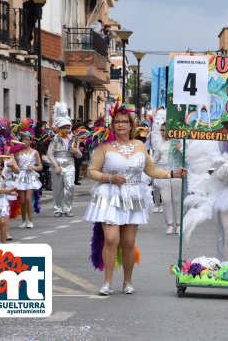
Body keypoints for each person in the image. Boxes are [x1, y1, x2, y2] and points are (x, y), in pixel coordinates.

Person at [83, 101, 186, 295]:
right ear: (112, 125)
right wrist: (110, 178)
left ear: (131, 125)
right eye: (116, 122)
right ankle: (108, 282)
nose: (120, 125)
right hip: (110, 196)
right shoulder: (104, 147)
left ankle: (127, 281)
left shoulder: (139, 146)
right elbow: (91, 171)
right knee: (111, 239)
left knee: (128, 243)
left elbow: (151, 170)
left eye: (124, 121)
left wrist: (174, 173)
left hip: (133, 197)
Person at [47, 102, 83, 217]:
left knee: (70, 187)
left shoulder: (74, 139)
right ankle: (58, 208)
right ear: (59, 128)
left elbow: (79, 155)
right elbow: (49, 153)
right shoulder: (55, 139)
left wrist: (77, 152)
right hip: (57, 165)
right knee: (57, 189)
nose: (66, 129)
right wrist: (56, 166)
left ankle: (67, 208)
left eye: (68, 127)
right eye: (64, 127)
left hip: (70, 165)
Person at [152, 123, 184, 235]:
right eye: (161, 130)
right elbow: (154, 161)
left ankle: (179, 224)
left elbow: (188, 156)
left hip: (177, 173)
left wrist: (181, 149)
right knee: (165, 200)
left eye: (164, 130)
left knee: (176, 200)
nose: (162, 132)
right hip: (164, 174)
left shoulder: (179, 143)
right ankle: (170, 224)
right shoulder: (160, 145)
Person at [14, 121, 43, 229]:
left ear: (31, 141)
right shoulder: (17, 152)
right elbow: (15, 166)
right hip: (21, 176)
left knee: (28, 199)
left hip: (30, 177)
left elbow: (40, 166)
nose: (24, 141)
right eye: (22, 140)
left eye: (27, 139)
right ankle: (24, 220)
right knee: (21, 201)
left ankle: (31, 221)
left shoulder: (34, 152)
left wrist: (33, 168)